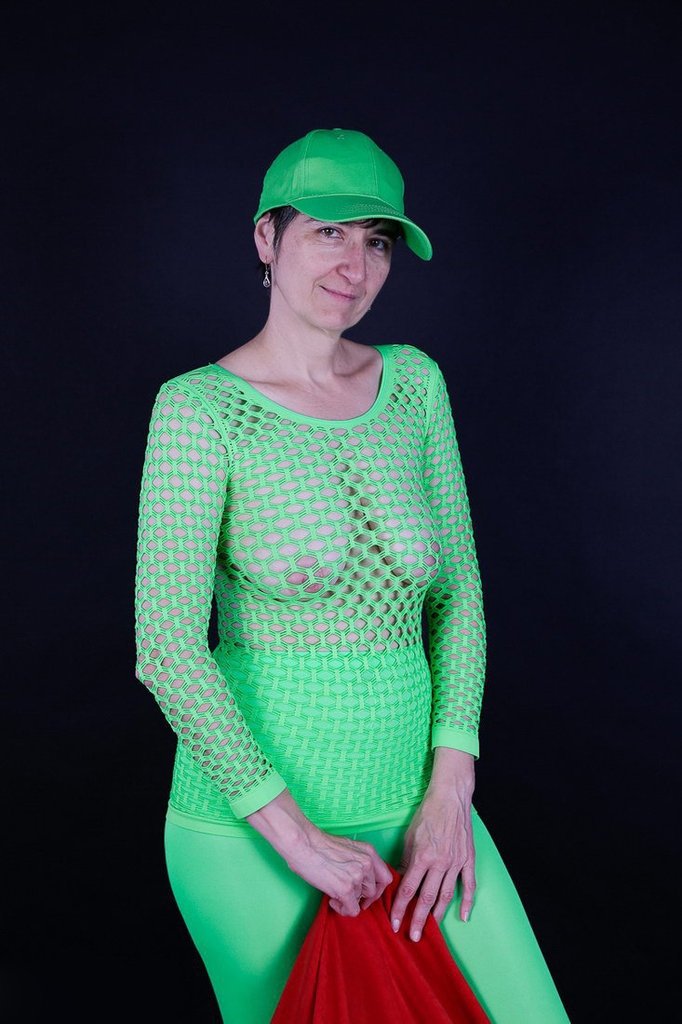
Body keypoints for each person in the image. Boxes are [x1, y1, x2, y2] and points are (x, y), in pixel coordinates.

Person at [134, 127, 570, 1023]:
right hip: (252, 834)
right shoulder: (198, 409)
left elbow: (459, 595)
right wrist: (298, 841)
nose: (355, 266)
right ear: (267, 237)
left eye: (377, 241)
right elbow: (168, 648)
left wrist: (451, 787)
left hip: (420, 811)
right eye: (328, 232)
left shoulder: (415, 386)